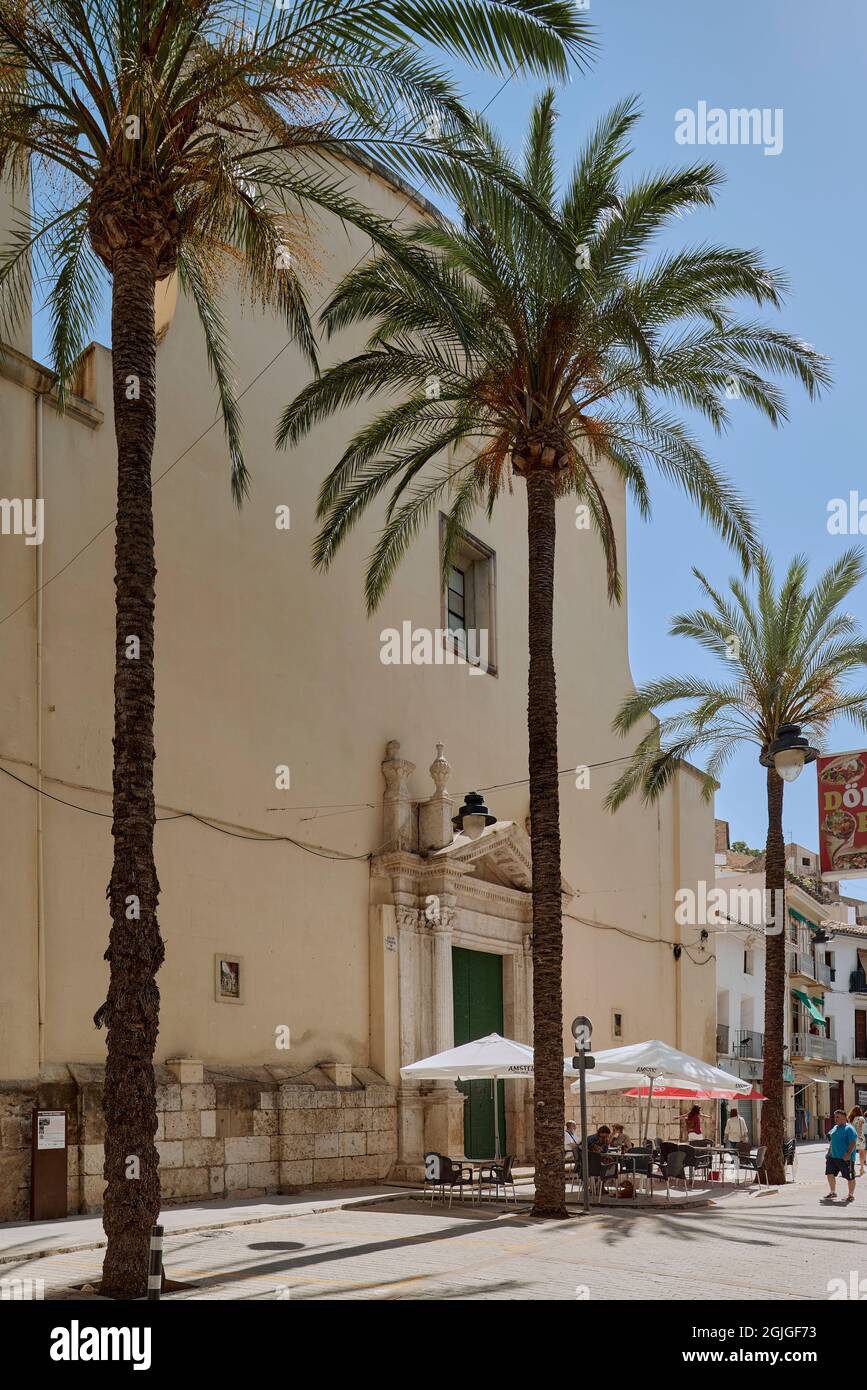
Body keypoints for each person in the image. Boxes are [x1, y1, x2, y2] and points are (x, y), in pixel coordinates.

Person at [822, 1109, 858, 1204]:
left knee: (850, 1177)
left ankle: (850, 1195)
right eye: (835, 1117)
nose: (835, 1119)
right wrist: (829, 1152)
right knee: (829, 1173)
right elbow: (832, 1141)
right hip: (833, 1157)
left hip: (845, 1158)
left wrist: (848, 1154)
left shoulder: (849, 1128)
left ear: (844, 1118)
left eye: (837, 1117)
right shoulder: (835, 1127)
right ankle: (833, 1192)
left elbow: (853, 1142)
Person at [848, 1105, 867, 1178]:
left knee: (851, 1153)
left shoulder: (850, 1118)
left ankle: (851, 1169)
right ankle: (861, 1169)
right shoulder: (861, 1118)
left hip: (851, 1137)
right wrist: (859, 1136)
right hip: (859, 1137)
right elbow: (859, 1128)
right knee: (861, 1153)